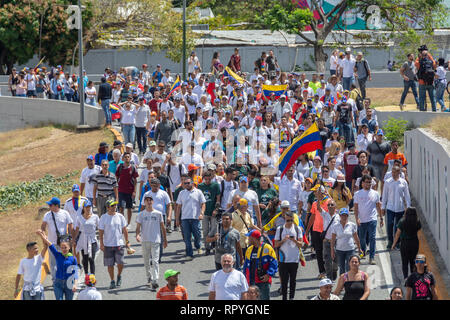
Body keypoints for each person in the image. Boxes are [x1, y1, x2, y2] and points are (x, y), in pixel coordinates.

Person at [136, 194, 168, 290]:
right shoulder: (141, 214)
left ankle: (155, 280)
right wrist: (137, 235)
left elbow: (163, 227)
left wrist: (165, 240)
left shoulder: (158, 213)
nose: (149, 202)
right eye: (147, 200)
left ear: (153, 202)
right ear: (144, 202)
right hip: (145, 240)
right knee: (146, 261)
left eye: (150, 200)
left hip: (156, 240)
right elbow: (138, 227)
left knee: (155, 261)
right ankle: (149, 277)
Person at [36, 229, 78, 300]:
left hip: (69, 283)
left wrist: (75, 284)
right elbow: (51, 245)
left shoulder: (73, 259)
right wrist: (42, 236)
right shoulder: (58, 255)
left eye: (65, 247)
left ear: (69, 248)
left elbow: (75, 273)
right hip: (58, 283)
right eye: (62, 248)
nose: (64, 249)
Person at [98, 199, 131, 289]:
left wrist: (127, 242)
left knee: (120, 263)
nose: (114, 207)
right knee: (110, 265)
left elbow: (124, 230)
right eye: (112, 206)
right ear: (108, 207)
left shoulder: (120, 216)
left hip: (119, 244)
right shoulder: (103, 218)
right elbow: (101, 231)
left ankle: (119, 275)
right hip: (108, 245)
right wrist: (101, 243)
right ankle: (112, 280)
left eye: (115, 205)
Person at [40, 197, 74, 282]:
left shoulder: (65, 213)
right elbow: (43, 226)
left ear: (56, 206)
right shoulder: (47, 215)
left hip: (64, 243)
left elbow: (70, 225)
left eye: (50, 205)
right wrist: (44, 236)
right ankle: (55, 280)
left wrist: (71, 238)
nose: (49, 206)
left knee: (65, 261)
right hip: (52, 243)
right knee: (53, 262)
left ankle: (66, 278)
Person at [274, 210, 303, 300]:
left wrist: (294, 240)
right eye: (287, 220)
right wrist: (284, 240)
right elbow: (276, 244)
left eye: (291, 220)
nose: (289, 222)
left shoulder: (298, 229)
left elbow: (301, 244)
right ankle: (284, 298)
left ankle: (291, 297)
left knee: (293, 281)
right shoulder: (280, 229)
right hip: (283, 259)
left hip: (294, 259)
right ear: (285, 220)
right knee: (284, 281)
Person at [354, 175, 383, 265]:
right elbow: (355, 207)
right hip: (362, 220)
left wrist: (381, 217)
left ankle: (372, 257)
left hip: (372, 219)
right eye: (366, 182)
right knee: (362, 238)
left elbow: (378, 206)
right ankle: (363, 250)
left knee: (372, 238)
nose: (368, 184)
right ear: (362, 183)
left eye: (369, 182)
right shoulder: (357, 194)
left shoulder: (375, 193)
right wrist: (357, 218)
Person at [175, 176, 207, 260]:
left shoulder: (198, 192)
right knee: (187, 237)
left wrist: (202, 213)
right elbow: (178, 207)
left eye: (188, 183)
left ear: (192, 183)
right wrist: (177, 219)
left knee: (197, 234)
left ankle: (198, 246)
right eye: (185, 183)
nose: (187, 185)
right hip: (184, 218)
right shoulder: (181, 193)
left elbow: (203, 203)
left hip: (195, 218)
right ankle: (189, 254)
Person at [242, 229, 278, 300]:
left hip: (263, 282)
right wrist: (244, 278)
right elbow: (245, 266)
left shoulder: (267, 248)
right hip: (251, 282)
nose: (248, 239)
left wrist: (268, 274)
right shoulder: (249, 249)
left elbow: (274, 263)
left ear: (254, 238)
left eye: (249, 237)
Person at [382, 165, 411, 250]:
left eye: (395, 172)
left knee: (398, 226)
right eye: (392, 172)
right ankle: (390, 241)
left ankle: (397, 242)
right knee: (390, 225)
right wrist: (383, 207)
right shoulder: (388, 182)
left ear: (399, 173)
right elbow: (385, 196)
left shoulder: (403, 182)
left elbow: (407, 195)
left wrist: (408, 207)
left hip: (400, 208)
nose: (393, 174)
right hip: (390, 207)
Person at [305, 185, 330, 279]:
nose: (314, 193)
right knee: (318, 252)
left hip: (326, 231)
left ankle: (329, 270)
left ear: (322, 193)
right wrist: (307, 231)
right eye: (314, 192)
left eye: (316, 192)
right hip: (316, 230)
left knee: (326, 252)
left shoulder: (329, 202)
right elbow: (312, 216)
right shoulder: (315, 203)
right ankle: (322, 271)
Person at [392, 207, 422, 280]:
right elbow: (419, 233)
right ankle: (413, 276)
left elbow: (397, 234)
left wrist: (394, 244)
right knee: (413, 261)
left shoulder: (402, 221)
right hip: (414, 242)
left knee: (405, 261)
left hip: (405, 243)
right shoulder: (417, 221)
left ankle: (406, 277)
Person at [331, 208, 361, 275]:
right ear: (340, 216)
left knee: (349, 267)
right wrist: (332, 250)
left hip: (350, 249)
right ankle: (342, 283)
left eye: (345, 215)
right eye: (342, 215)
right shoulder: (335, 226)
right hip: (339, 250)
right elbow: (333, 239)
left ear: (348, 216)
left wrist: (359, 248)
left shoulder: (352, 225)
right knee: (341, 268)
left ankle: (349, 282)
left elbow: (356, 237)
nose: (344, 217)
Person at [73, 200, 99, 276]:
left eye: (89, 207)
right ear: (83, 208)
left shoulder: (95, 217)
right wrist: (74, 239)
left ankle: (92, 276)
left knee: (91, 259)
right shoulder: (79, 218)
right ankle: (86, 275)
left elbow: (100, 227)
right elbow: (77, 230)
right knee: (85, 259)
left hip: (92, 240)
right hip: (83, 240)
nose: (88, 209)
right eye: (86, 207)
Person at [198, 171, 221, 255]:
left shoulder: (215, 185)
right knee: (205, 230)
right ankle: (207, 247)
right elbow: (199, 200)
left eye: (209, 179)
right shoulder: (200, 186)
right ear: (203, 179)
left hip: (213, 211)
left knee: (214, 229)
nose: (207, 181)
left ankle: (214, 246)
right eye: (205, 179)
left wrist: (216, 209)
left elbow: (218, 199)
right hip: (204, 212)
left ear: (211, 178)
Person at [115, 152, 139, 226]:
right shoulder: (120, 167)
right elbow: (117, 178)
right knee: (121, 208)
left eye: (128, 157)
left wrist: (134, 191)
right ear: (123, 158)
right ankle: (122, 223)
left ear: (130, 158)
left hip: (130, 191)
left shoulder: (133, 167)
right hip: (121, 190)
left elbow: (135, 180)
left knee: (129, 208)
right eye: (125, 157)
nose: (126, 158)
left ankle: (128, 223)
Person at [415, 46, 437, 112]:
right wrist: (429, 55)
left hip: (422, 82)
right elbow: (435, 65)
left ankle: (422, 112)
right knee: (433, 98)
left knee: (421, 98)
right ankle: (434, 111)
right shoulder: (431, 61)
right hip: (430, 82)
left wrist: (419, 57)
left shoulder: (418, 61)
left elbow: (416, 64)